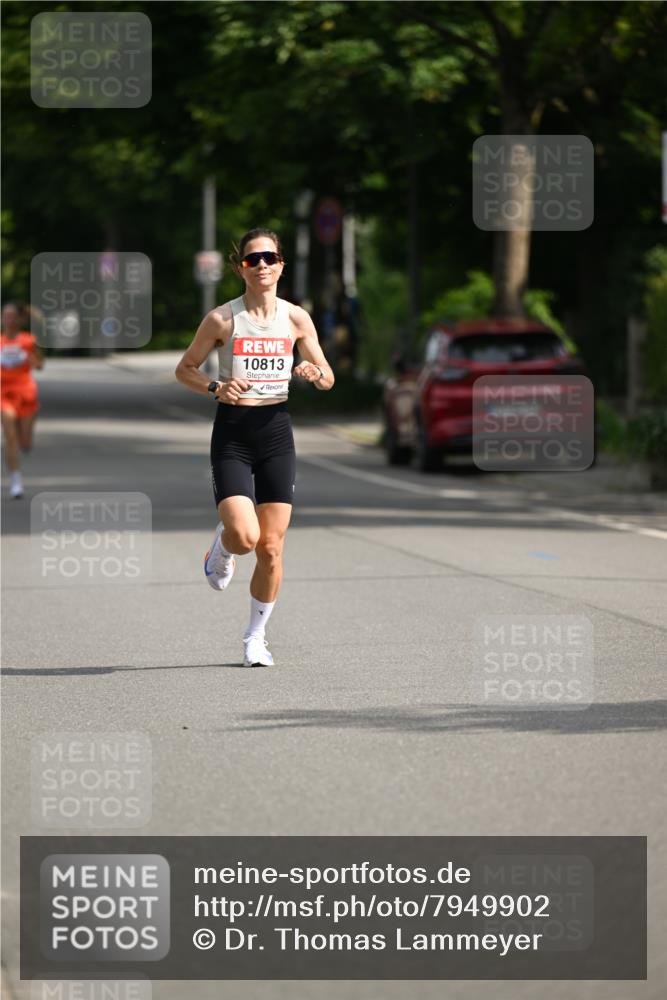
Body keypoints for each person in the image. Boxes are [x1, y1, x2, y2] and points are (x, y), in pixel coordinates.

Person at [175, 228, 334, 666]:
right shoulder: (222, 320)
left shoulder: (297, 319)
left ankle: (255, 638)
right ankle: (223, 548)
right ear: (239, 268)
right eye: (252, 260)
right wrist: (214, 386)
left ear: (281, 264)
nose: (261, 265)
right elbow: (184, 369)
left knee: (271, 547)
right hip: (233, 433)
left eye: (269, 257)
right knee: (246, 538)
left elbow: (327, 376)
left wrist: (312, 372)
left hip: (276, 433)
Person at [1, 301, 44, 499]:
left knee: (24, 442)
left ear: (18, 320)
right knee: (10, 437)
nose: (8, 320)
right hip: (4, 394)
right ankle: (16, 481)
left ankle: (25, 442)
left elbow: (40, 365)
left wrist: (31, 359)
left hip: (25, 393)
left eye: (11, 316)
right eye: (5, 316)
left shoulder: (27, 341)